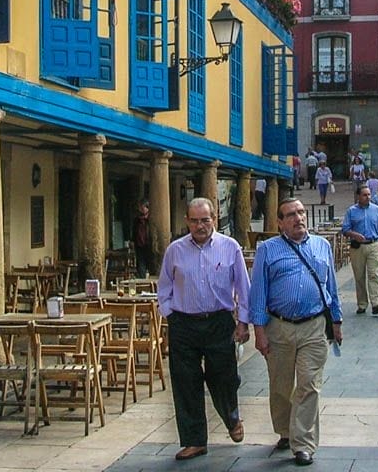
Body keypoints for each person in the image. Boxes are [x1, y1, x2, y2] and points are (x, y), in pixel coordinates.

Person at [250, 197, 343, 467]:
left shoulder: (322, 245)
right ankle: (286, 431)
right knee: (280, 386)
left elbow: (331, 288)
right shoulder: (268, 249)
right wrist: (259, 331)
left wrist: (336, 321)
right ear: (280, 222)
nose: (298, 218)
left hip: (314, 326)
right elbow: (258, 293)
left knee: (309, 384)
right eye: (290, 214)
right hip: (278, 326)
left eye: (301, 212)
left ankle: (303, 443)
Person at [157, 198, 251, 461]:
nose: (200, 225)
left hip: (219, 321)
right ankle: (195, 440)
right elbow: (164, 286)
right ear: (187, 221)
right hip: (184, 323)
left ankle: (232, 418)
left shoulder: (230, 247)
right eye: (195, 220)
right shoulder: (175, 250)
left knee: (224, 377)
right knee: (186, 382)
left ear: (215, 218)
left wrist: (243, 322)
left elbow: (244, 288)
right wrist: (169, 314)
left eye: (205, 220)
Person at [341, 186, 378, 315]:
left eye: (369, 194)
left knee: (373, 274)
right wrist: (354, 234)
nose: (367, 197)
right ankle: (362, 304)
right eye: (364, 195)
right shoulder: (351, 211)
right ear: (358, 196)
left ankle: (377, 303)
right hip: (357, 247)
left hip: (373, 244)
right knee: (359, 276)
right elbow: (345, 229)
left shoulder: (377, 210)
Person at [132, 199, 154, 278]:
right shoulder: (137, 220)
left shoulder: (151, 219)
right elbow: (134, 231)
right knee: (141, 264)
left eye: (142, 207)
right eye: (140, 207)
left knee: (150, 264)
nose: (141, 209)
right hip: (139, 245)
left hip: (149, 245)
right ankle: (142, 278)